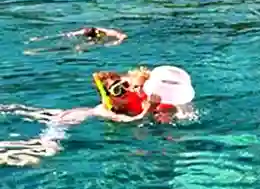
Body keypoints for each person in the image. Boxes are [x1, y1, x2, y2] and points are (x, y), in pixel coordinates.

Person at [0, 68, 158, 167]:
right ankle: (8, 154)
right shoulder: (106, 111)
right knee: (49, 151)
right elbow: (133, 121)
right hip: (64, 123)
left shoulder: (123, 102)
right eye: (118, 90)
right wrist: (149, 109)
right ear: (109, 97)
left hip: (72, 113)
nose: (127, 91)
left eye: (125, 85)